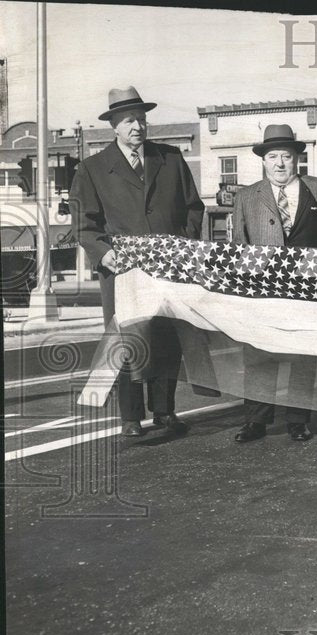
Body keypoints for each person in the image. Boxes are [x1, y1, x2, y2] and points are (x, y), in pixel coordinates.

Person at [71, 86, 204, 438]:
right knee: (125, 340)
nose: (137, 127)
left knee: (166, 337)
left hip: (167, 270)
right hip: (121, 271)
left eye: (142, 120)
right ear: (113, 125)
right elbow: (84, 225)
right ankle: (130, 417)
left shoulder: (171, 159)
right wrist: (105, 254)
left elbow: (194, 208)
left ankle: (165, 411)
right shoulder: (93, 169)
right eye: (129, 121)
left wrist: (182, 246)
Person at [230, 124, 317, 443]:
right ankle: (256, 420)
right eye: (273, 157)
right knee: (258, 355)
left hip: (307, 291)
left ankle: (298, 420)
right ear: (263, 161)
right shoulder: (246, 197)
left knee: (303, 356)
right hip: (262, 293)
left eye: (286, 156)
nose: (280, 163)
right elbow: (238, 248)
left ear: (298, 158)